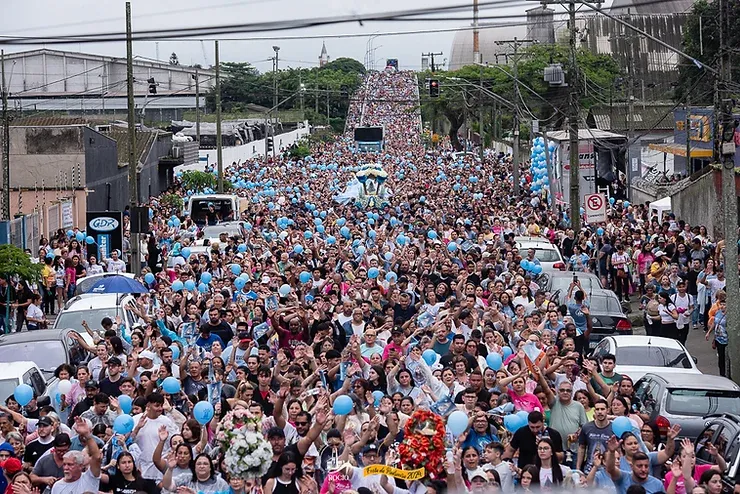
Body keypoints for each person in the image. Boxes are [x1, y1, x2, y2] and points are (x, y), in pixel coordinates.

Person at [51, 417, 102, 493]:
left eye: (70, 464)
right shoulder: (57, 487)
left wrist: (87, 435)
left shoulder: (90, 478)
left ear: (80, 466)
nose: (66, 468)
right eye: (64, 464)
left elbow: (97, 457)